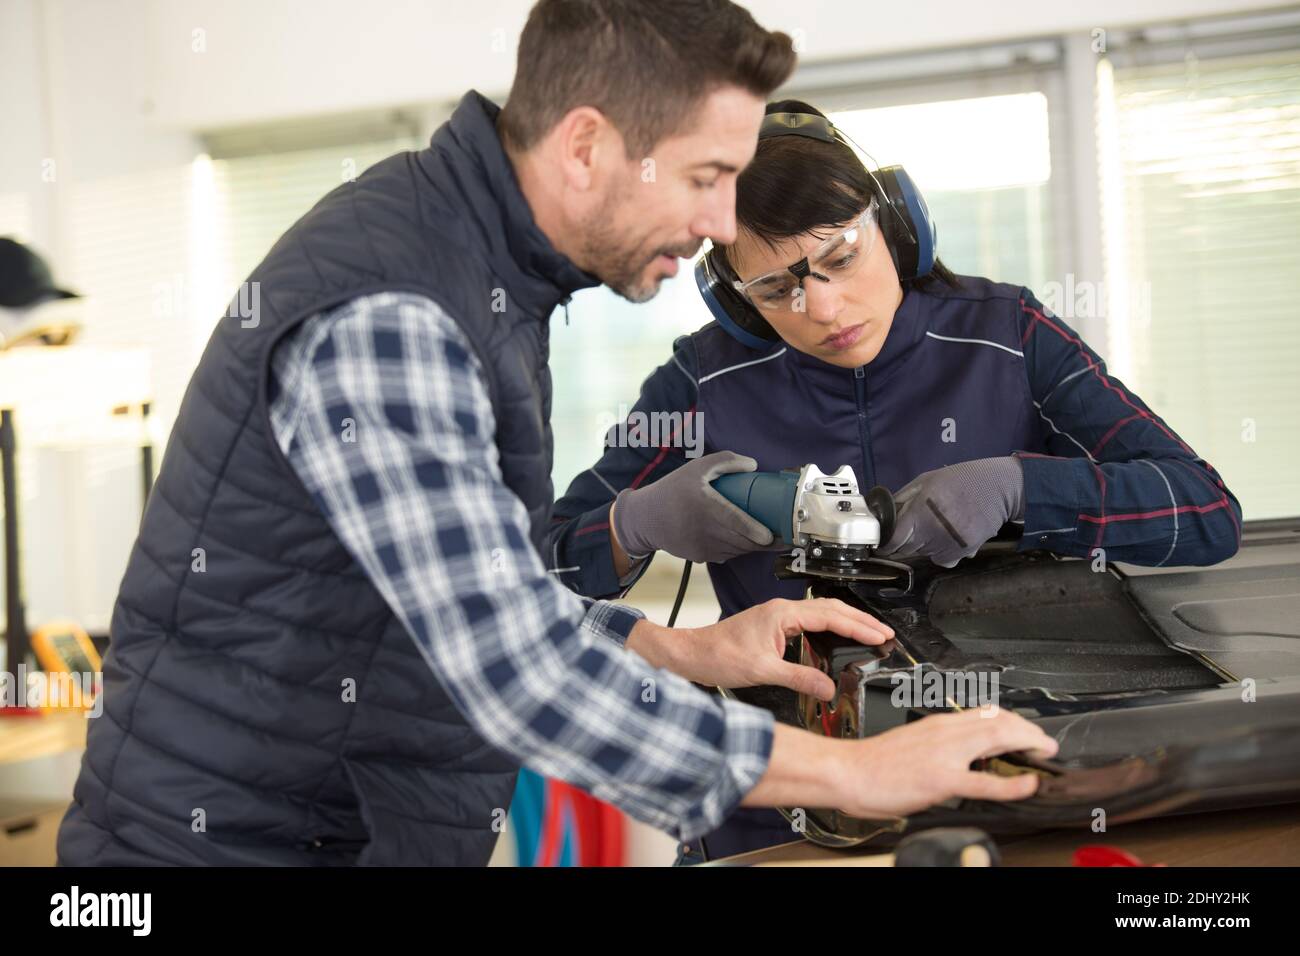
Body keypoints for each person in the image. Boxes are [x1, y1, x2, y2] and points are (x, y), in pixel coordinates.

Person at [57, 4, 1056, 867]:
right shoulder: (394, 310)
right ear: (586, 146)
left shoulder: (479, 271)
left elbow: (468, 596)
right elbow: (512, 669)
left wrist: (680, 647)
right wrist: (859, 768)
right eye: (708, 175)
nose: (719, 222)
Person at [546, 99, 1243, 861]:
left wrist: (1019, 488)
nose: (825, 308)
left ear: (896, 225)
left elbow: (1204, 509)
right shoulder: (702, 381)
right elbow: (528, 574)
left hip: (1003, 775)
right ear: (734, 301)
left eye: (841, 258)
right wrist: (631, 526)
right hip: (784, 800)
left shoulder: (1009, 335)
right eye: (777, 290)